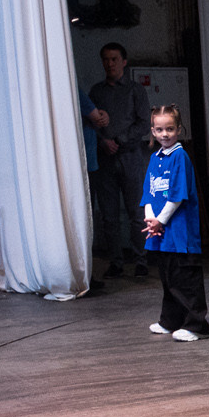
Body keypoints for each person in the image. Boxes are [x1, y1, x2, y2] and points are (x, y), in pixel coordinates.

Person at [140, 105, 209, 341]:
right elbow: (149, 193)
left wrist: (160, 220)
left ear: (178, 129)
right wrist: (151, 220)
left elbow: (177, 196)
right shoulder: (154, 158)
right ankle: (170, 320)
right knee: (168, 279)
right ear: (153, 131)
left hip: (180, 233)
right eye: (159, 129)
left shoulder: (180, 157)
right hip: (162, 234)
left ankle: (197, 325)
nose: (164, 134)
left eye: (169, 129)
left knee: (186, 280)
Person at [88, 42, 152, 278]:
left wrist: (119, 140)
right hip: (105, 159)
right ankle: (116, 261)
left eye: (114, 59)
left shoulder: (135, 90)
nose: (110, 63)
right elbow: (89, 123)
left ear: (124, 62)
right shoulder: (96, 92)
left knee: (136, 212)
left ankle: (140, 260)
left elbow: (144, 123)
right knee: (109, 215)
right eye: (106, 59)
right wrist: (104, 142)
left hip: (130, 157)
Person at [77, 86, 110, 291]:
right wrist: (102, 115)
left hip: (88, 162)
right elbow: (98, 118)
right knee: (85, 221)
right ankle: (85, 275)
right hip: (87, 165)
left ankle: (86, 274)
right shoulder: (75, 90)